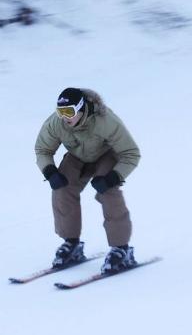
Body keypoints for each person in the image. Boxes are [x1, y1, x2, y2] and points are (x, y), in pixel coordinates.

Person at [35, 87, 141, 274]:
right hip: (77, 157)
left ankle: (121, 249)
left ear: (81, 108)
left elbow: (131, 153)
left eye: (69, 111)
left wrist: (114, 177)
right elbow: (43, 150)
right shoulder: (56, 123)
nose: (64, 117)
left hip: (106, 155)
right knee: (62, 188)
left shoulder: (105, 121)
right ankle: (72, 244)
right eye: (60, 111)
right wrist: (50, 172)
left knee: (108, 192)